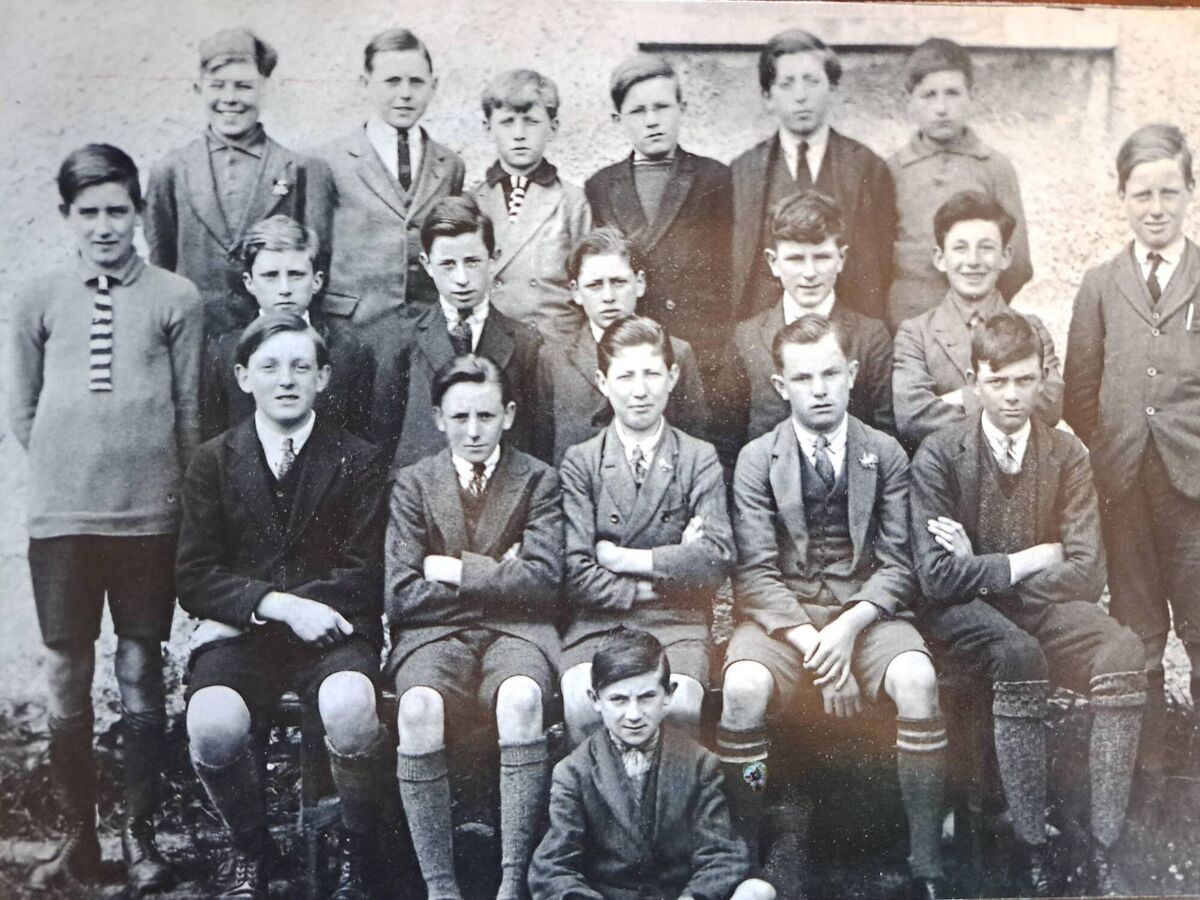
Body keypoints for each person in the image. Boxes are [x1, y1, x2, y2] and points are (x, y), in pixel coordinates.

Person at [9, 143, 203, 893]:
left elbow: (188, 414)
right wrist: (73, 468)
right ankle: (76, 835)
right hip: (63, 516)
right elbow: (24, 412)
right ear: (66, 217)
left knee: (141, 665)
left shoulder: (176, 298)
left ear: (138, 214)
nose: (103, 226)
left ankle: (141, 831)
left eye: (117, 210)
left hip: (149, 515)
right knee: (68, 667)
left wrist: (167, 495)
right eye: (87, 212)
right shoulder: (38, 298)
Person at [911, 313, 1146, 896]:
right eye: (998, 382)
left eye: (1024, 380)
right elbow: (937, 577)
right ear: (974, 379)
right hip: (965, 615)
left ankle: (1104, 843)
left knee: (1121, 648)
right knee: (1018, 655)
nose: (1013, 396)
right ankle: (1028, 843)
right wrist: (1030, 559)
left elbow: (1087, 570)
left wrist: (987, 571)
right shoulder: (939, 455)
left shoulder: (1066, 454)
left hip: (1039, 604)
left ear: (1043, 377)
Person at [718, 315, 947, 899]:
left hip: (865, 618)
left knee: (917, 678)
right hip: (785, 625)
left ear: (851, 375)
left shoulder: (886, 454)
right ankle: (739, 852)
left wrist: (847, 628)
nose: (817, 390)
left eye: (828, 374)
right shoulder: (755, 460)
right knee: (742, 687)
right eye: (802, 378)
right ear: (780, 387)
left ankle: (926, 863)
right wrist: (813, 643)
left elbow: (900, 565)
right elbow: (755, 574)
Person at [177, 314, 391, 898]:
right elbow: (194, 576)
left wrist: (296, 610)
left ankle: (357, 844)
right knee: (212, 723)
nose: (286, 380)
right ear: (244, 377)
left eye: (301, 366)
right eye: (270, 367)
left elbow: (364, 571)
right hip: (245, 637)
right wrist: (274, 605)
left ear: (323, 377)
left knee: (350, 706)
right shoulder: (212, 461)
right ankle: (252, 847)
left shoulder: (360, 459)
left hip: (335, 633)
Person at [386, 354, 563, 900]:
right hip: (435, 638)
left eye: (486, 416)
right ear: (438, 418)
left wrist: (452, 569)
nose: (473, 431)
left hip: (519, 636)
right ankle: (441, 887)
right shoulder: (413, 484)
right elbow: (400, 596)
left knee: (521, 700)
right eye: (459, 417)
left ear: (508, 414)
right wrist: (500, 576)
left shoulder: (538, 480)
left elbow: (546, 582)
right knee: (417, 708)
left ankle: (512, 881)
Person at [1063, 123, 1200, 745]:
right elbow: (1079, 392)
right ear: (1121, 197)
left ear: (1190, 193)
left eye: (1169, 193)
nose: (1156, 208)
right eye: (1142, 194)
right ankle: (1149, 766)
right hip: (1123, 485)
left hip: (1193, 487)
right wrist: (1116, 450)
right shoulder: (1100, 283)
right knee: (1137, 625)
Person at [559, 316, 733, 746]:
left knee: (681, 707)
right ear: (603, 381)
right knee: (582, 704)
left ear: (672, 377)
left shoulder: (698, 458)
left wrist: (624, 560)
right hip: (600, 624)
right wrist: (670, 567)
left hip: (677, 623)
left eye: (652, 374)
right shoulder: (581, 462)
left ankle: (672, 812)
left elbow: (715, 560)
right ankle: (600, 810)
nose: (640, 390)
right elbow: (575, 570)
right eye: (626, 376)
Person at [530, 629, 777, 900]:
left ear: (668, 694)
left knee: (757, 892)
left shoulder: (699, 764)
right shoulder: (572, 772)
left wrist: (692, 897)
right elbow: (553, 867)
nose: (634, 715)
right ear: (595, 700)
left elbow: (722, 855)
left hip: (677, 895)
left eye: (647, 697)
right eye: (619, 699)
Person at [143, 29, 333, 336]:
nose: (230, 99)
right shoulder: (171, 171)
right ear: (198, 88)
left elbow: (316, 267)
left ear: (264, 90)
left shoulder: (301, 170)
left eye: (244, 86)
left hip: (275, 340)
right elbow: (162, 267)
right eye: (218, 86)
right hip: (196, 338)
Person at [585, 53, 733, 388]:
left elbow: (731, 271)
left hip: (701, 349)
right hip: (632, 353)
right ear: (617, 118)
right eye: (637, 111)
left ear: (682, 107)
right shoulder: (601, 186)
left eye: (662, 107)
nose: (652, 121)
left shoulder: (714, 178)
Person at [732, 30, 895, 323]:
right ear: (768, 97)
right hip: (767, 329)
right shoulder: (742, 171)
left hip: (847, 327)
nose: (801, 96)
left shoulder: (868, 168)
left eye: (812, 81)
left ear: (832, 88)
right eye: (787, 84)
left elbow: (881, 264)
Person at [720, 190, 893, 465]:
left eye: (822, 257)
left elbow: (886, 434)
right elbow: (726, 439)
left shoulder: (870, 336)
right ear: (773, 262)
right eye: (796, 259)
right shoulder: (747, 337)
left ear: (841, 258)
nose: (809, 273)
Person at [370, 195, 542, 471]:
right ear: (427, 265)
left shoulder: (526, 343)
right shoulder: (400, 339)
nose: (461, 279)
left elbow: (535, 441)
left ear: (493, 259)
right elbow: (382, 440)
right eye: (448, 265)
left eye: (472, 262)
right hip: (421, 498)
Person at [310, 27, 465, 324]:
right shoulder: (328, 162)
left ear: (433, 86)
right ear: (365, 84)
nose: (405, 94)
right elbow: (315, 252)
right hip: (351, 326)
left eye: (416, 82)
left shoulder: (450, 165)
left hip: (427, 324)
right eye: (392, 81)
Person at [893, 191, 1062, 447]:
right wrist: (997, 403)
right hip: (944, 478)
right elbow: (913, 416)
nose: (973, 261)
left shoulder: (1032, 328)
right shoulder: (916, 334)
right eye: (960, 248)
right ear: (940, 258)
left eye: (986, 248)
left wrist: (958, 398)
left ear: (1005, 256)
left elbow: (1049, 405)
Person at [886, 37, 1032, 328]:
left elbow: (1018, 262)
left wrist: (980, 307)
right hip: (907, 324)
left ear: (971, 96)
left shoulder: (993, 166)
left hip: (978, 325)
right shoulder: (891, 171)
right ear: (910, 101)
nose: (941, 108)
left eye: (952, 93)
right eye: (929, 95)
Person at [536, 227, 709, 465]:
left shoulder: (677, 352)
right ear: (576, 291)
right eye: (595, 285)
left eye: (618, 282)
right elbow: (541, 446)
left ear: (639, 283)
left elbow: (693, 440)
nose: (608, 296)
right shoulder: (553, 359)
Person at [200, 214, 374, 441]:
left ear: (317, 281)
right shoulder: (223, 353)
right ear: (249, 282)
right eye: (270, 276)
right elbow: (214, 440)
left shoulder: (349, 350)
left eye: (296, 275)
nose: (284, 288)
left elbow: (361, 441)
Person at [473, 68, 593, 340]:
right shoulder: (472, 202)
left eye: (531, 121)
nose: (519, 134)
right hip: (493, 346)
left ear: (553, 127)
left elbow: (591, 283)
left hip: (554, 344)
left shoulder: (573, 202)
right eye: (507, 122)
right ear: (488, 128)